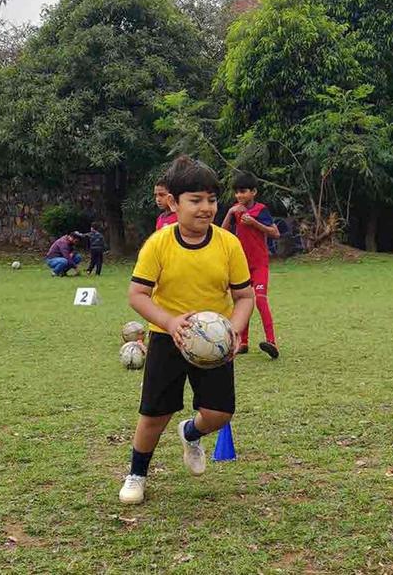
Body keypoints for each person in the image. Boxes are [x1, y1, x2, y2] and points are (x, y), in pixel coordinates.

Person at [119, 155, 255, 505]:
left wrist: (234, 330)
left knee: (219, 413)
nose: (206, 207)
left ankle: (190, 433)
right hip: (168, 337)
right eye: (195, 200)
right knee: (154, 413)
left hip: (215, 342)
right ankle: (137, 474)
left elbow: (244, 296)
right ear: (173, 202)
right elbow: (137, 294)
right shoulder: (159, 244)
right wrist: (169, 321)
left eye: (211, 199)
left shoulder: (228, 244)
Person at [221, 171, 281, 358]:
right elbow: (222, 233)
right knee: (241, 302)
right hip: (241, 265)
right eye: (237, 192)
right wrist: (230, 213)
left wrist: (254, 223)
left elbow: (275, 233)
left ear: (253, 192)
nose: (239, 196)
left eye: (243, 191)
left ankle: (272, 342)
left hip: (259, 264)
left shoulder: (261, 210)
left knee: (260, 300)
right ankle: (242, 342)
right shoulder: (236, 210)